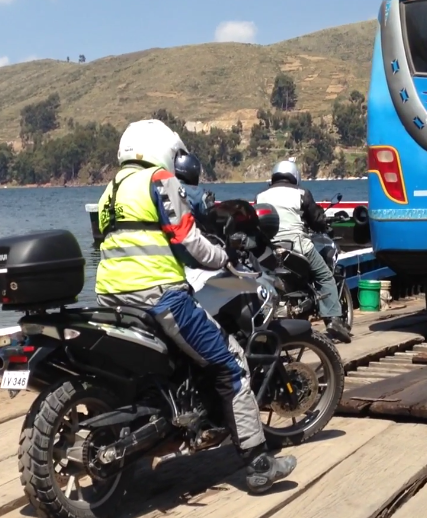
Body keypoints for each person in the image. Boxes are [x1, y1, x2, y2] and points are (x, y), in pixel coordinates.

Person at [95, 119, 297, 494]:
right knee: (232, 361)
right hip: (159, 295)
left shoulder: (111, 190)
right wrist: (221, 257)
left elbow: (129, 239)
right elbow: (187, 239)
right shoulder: (158, 180)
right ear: (160, 149)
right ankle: (258, 462)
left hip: (110, 296)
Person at [256, 160, 352, 343]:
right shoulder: (301, 194)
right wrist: (324, 225)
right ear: (295, 176)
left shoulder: (261, 196)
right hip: (298, 246)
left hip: (271, 249)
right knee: (325, 276)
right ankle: (333, 321)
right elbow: (316, 219)